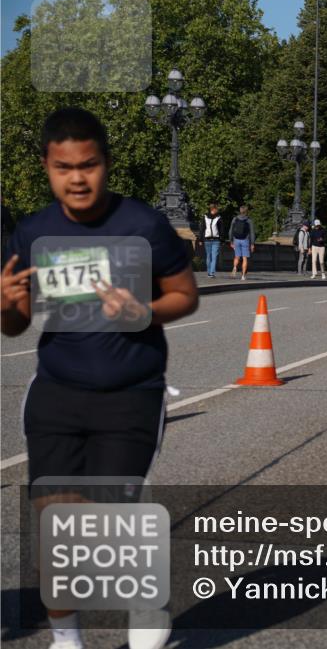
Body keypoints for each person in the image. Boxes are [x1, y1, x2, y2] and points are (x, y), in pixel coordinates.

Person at [1, 107, 198, 649]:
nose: (78, 178)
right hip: (57, 393)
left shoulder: (143, 225)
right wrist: (6, 306)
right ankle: (68, 642)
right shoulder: (34, 232)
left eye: (88, 165)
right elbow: (15, 324)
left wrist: (144, 313)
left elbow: (186, 295)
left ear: (106, 163)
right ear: (47, 166)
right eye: (65, 167)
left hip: (130, 395)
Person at [229, 205, 255, 281]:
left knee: (237, 256)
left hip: (236, 240)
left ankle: (234, 267)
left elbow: (231, 230)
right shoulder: (249, 220)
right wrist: (252, 244)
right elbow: (252, 233)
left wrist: (231, 241)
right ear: (246, 211)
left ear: (240, 211)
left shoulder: (235, 219)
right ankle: (243, 276)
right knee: (245, 259)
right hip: (245, 240)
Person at [202, 204, 222, 278]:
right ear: (213, 209)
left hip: (207, 239)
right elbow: (221, 229)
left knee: (208, 256)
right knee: (214, 257)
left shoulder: (205, 217)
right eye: (217, 209)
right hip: (216, 239)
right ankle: (211, 273)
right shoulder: (219, 217)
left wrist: (201, 239)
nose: (217, 211)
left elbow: (202, 228)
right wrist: (221, 239)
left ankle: (209, 272)